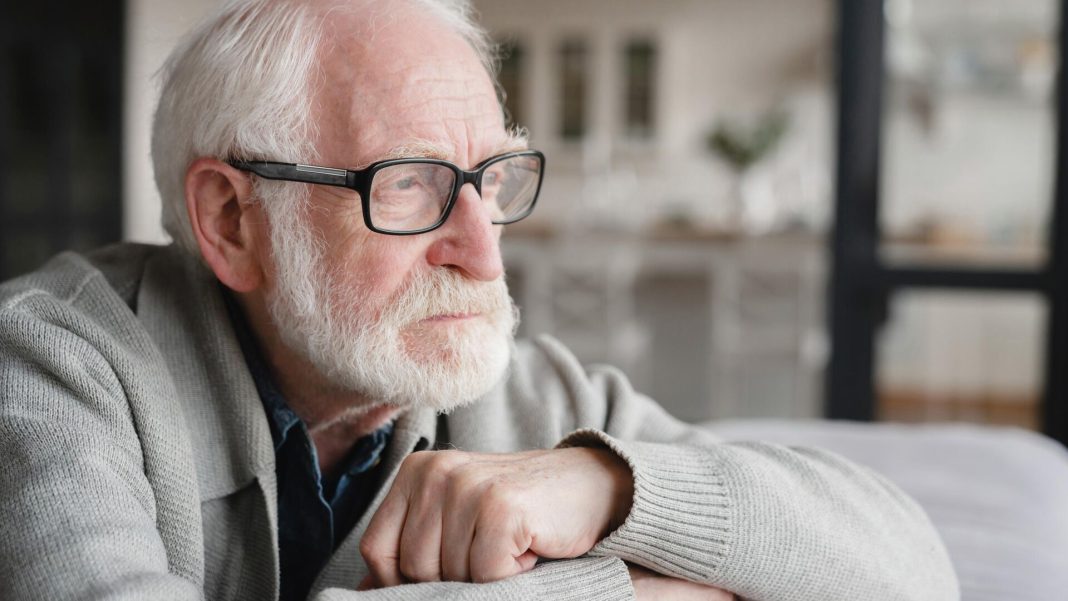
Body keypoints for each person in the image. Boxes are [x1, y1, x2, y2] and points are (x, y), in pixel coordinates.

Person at [0, 0, 959, 599]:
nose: (484, 251)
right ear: (232, 219)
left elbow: (915, 570)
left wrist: (608, 488)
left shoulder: (525, 397)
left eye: (491, 180)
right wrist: (616, 591)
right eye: (410, 184)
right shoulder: (49, 365)